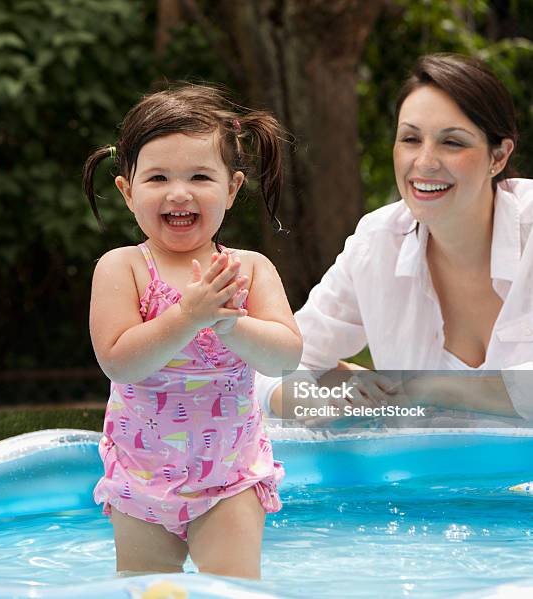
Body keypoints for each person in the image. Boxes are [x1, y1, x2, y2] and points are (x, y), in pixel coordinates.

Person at [82, 84, 302, 579]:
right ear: (127, 190)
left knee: (233, 588)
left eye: (200, 176)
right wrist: (188, 317)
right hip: (141, 479)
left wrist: (229, 322)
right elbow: (119, 360)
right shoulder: (122, 269)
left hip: (230, 476)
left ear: (231, 188)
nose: (178, 192)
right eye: (158, 177)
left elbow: (284, 358)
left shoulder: (249, 269)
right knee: (145, 589)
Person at [257, 53, 533, 423]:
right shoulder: (379, 242)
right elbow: (275, 366)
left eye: (452, 142)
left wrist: (430, 388)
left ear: (498, 157)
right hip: (427, 479)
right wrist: (329, 399)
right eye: (410, 139)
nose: (425, 161)